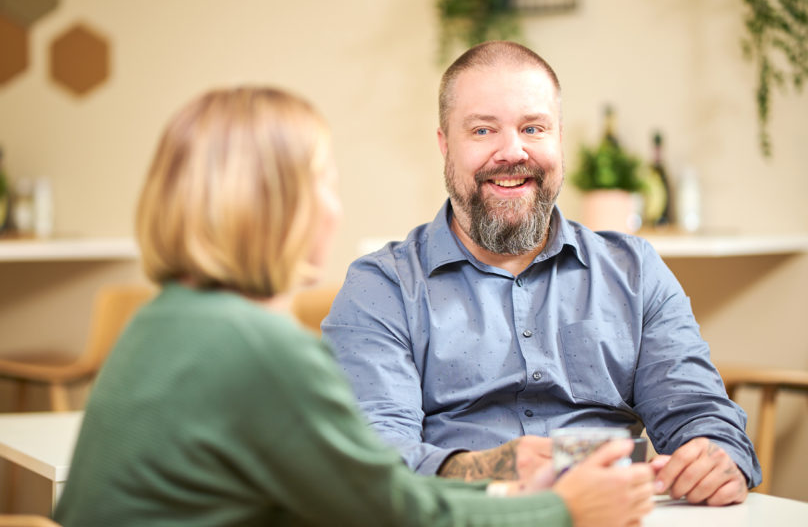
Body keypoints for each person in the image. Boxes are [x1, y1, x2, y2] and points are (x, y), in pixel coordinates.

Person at [54, 86, 655, 527]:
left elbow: (365, 496)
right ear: (271, 203)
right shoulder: (257, 347)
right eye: (324, 181)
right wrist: (562, 512)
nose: (333, 208)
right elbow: (392, 515)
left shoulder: (168, 320)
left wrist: (515, 499)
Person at [321, 41, 762, 507]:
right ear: (444, 145)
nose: (512, 151)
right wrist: (499, 467)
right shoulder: (381, 287)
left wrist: (717, 458)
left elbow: (702, 418)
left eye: (533, 127)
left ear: (559, 138)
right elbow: (373, 457)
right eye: (483, 130)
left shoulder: (636, 272)